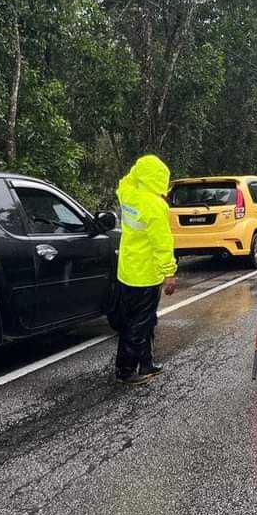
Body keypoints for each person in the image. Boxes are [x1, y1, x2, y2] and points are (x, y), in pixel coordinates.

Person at [114, 154, 178, 385]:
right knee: (140, 323)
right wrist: (169, 272)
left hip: (127, 271)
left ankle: (146, 362)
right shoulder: (156, 205)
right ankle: (126, 370)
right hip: (146, 274)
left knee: (141, 320)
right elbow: (162, 243)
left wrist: (137, 170)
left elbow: (125, 181)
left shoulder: (128, 194)